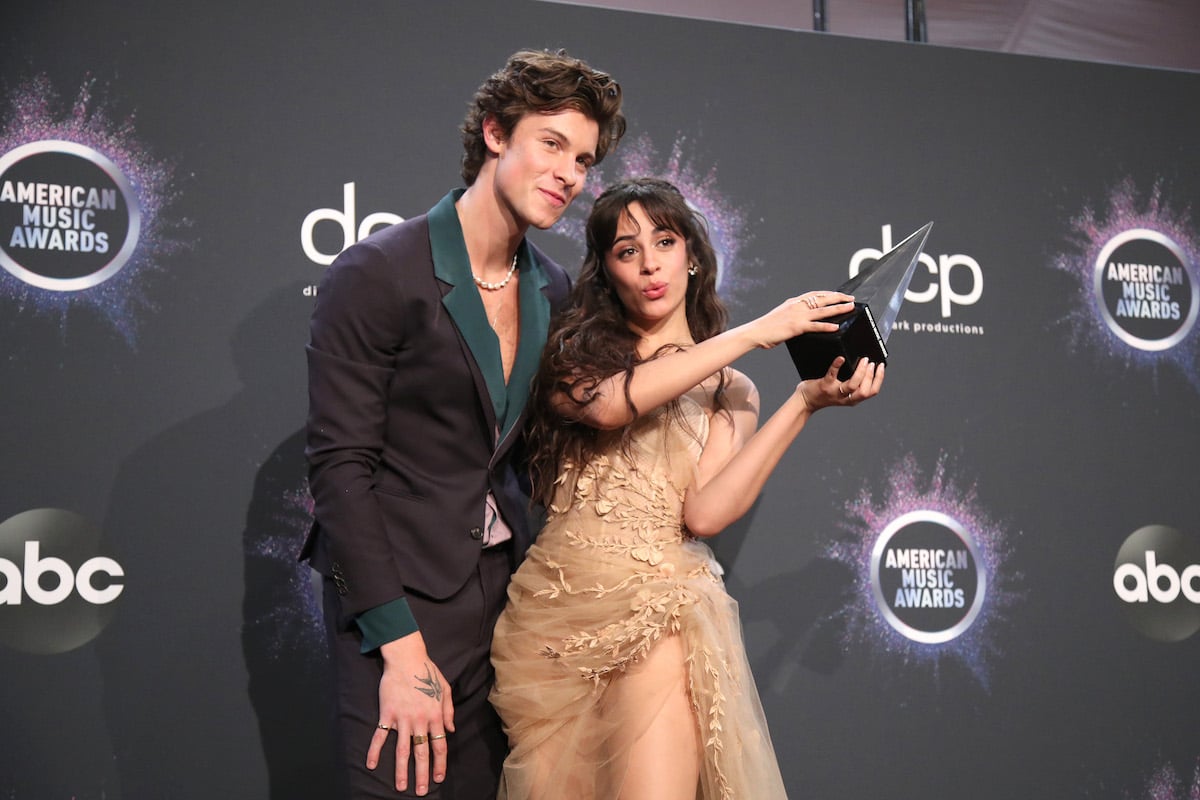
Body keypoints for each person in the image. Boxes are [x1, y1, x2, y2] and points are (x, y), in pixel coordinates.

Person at [489, 177, 885, 799]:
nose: (650, 264)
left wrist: (804, 403)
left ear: (692, 255)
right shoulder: (577, 355)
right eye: (627, 250)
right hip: (557, 617)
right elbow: (616, 406)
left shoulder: (733, 389)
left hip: (659, 608)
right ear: (607, 272)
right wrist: (760, 331)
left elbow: (705, 513)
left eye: (665, 241)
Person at [303, 50, 626, 799]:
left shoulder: (551, 287)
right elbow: (341, 470)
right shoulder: (378, 272)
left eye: (582, 159)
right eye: (551, 144)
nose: (569, 174)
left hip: (507, 610)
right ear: (493, 132)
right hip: (398, 601)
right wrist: (399, 647)